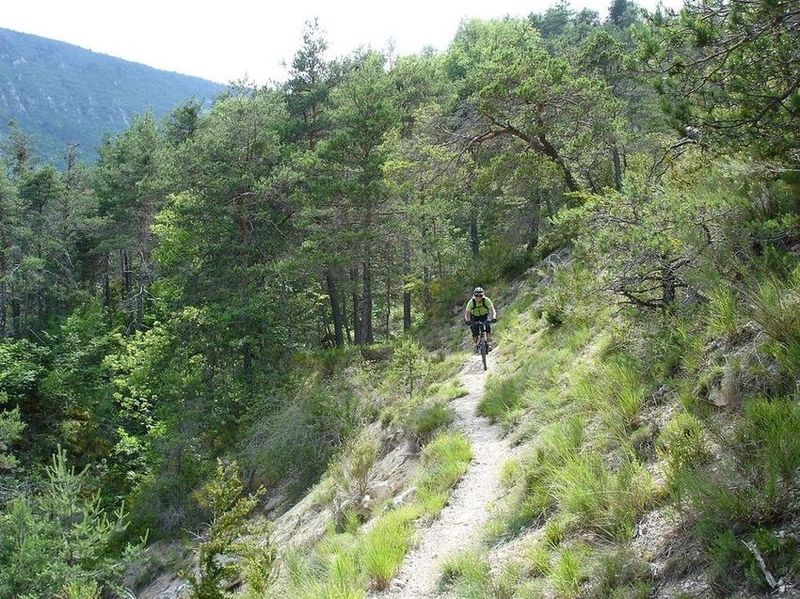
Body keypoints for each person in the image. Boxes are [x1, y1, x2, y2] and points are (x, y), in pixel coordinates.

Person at [464, 287, 497, 352]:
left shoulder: (486, 300)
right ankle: (476, 344)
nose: (479, 297)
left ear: (483, 295)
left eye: (480, 295)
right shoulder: (471, 302)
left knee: (488, 327)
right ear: (474, 295)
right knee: (474, 331)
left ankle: (488, 343)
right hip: (474, 317)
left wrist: (494, 317)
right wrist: (467, 320)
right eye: (476, 295)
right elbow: (467, 313)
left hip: (484, 315)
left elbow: (492, 310)